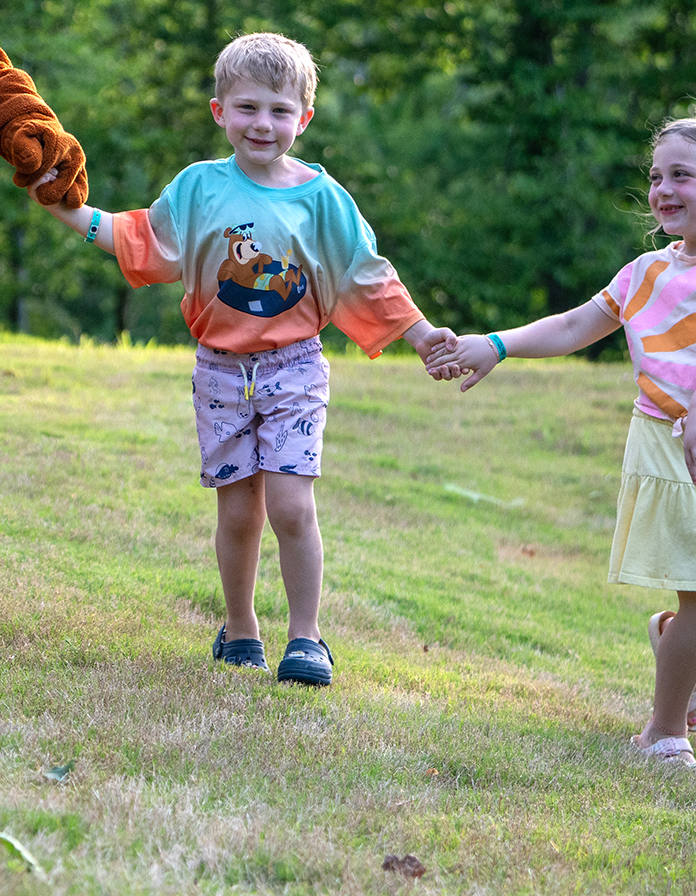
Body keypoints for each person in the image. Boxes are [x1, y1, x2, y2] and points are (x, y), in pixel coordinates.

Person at [36, 33, 457, 687]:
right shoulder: (198, 187)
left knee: (291, 507)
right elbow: (142, 237)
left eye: (280, 111)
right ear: (219, 112)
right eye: (249, 108)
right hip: (220, 372)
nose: (264, 124)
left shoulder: (321, 197)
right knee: (238, 512)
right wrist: (68, 210)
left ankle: (307, 639)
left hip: (295, 366)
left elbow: (365, 275)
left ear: (304, 119)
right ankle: (240, 631)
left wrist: (422, 334)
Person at [428, 109, 696, 774]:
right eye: (656, 176)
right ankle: (663, 736)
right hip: (668, 442)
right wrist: (494, 345)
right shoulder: (643, 273)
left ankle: (675, 643)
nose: (661, 189)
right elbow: (575, 325)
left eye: (681, 175)